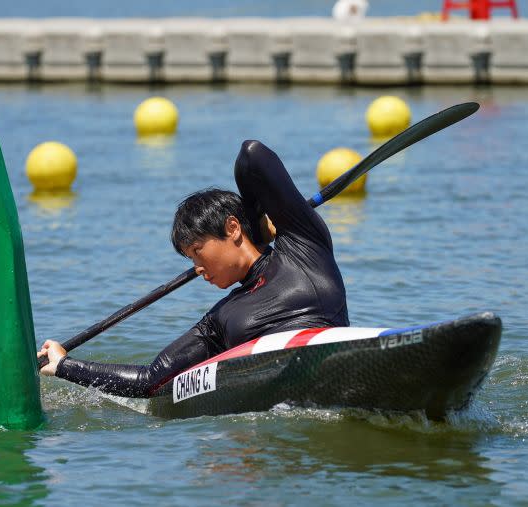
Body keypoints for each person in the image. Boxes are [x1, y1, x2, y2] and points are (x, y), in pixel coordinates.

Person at [38, 140, 349, 397]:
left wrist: (255, 223)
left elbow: (253, 155)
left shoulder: (304, 247)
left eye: (198, 251)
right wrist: (66, 366)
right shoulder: (220, 318)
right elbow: (152, 380)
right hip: (273, 394)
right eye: (190, 260)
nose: (198, 268)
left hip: (336, 355)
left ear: (232, 228)